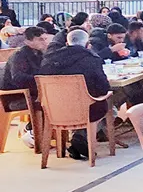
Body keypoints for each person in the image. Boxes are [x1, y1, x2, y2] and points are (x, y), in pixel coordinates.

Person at [37, 30, 112, 161]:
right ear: (88, 45)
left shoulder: (48, 59)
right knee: (103, 105)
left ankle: (78, 139)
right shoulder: (91, 59)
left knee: (84, 105)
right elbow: (104, 88)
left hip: (54, 109)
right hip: (84, 109)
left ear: (67, 44)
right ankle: (80, 136)